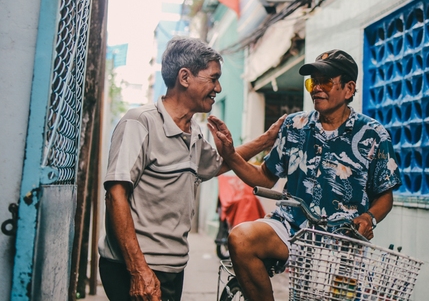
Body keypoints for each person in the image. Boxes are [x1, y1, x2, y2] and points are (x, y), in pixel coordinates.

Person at [98, 37, 284, 301]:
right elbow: (115, 196)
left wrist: (266, 140)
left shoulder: (193, 131)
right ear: (185, 77)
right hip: (136, 266)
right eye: (213, 78)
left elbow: (221, 163)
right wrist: (138, 270)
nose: (218, 88)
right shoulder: (140, 123)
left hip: (172, 266)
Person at [208, 49, 401, 301]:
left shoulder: (374, 135)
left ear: (349, 89)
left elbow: (385, 196)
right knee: (241, 238)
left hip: (342, 239)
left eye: (326, 81)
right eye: (313, 81)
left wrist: (368, 218)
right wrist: (231, 155)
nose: (316, 88)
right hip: (289, 226)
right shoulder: (294, 125)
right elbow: (266, 177)